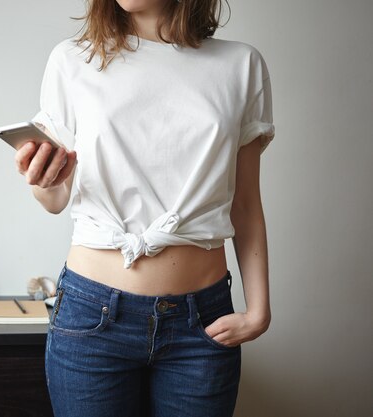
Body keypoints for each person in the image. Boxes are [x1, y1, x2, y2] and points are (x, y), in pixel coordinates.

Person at [15, 0, 274, 416]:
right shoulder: (72, 59)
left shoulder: (241, 65)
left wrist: (259, 310)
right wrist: (45, 180)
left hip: (200, 326)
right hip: (91, 320)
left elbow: (244, 203)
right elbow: (55, 200)